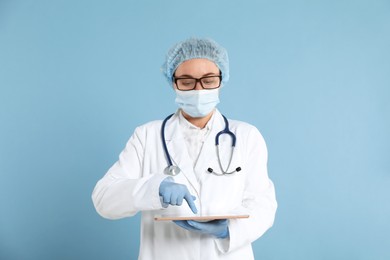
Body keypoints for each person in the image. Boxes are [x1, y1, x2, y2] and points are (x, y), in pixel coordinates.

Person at [92, 37, 277, 260]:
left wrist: (230, 230)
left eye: (208, 80)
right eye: (187, 82)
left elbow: (263, 204)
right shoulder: (147, 136)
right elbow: (103, 199)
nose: (198, 89)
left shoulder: (247, 136)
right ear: (173, 82)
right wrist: (153, 188)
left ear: (222, 80)